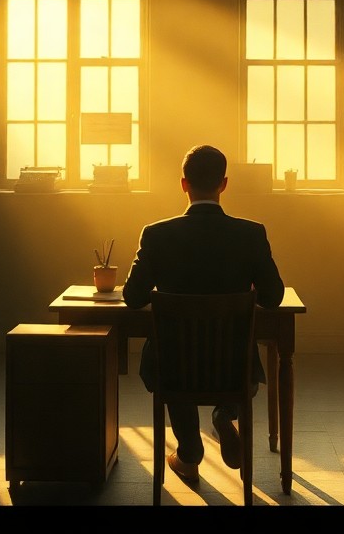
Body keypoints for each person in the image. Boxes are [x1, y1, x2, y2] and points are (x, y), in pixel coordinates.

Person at [122, 144, 286, 484]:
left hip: (173, 368)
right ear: (223, 184)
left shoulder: (156, 235)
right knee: (240, 373)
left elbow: (133, 297)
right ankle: (225, 413)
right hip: (232, 368)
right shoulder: (251, 234)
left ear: (184, 184)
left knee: (173, 363)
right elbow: (273, 297)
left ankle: (188, 451)